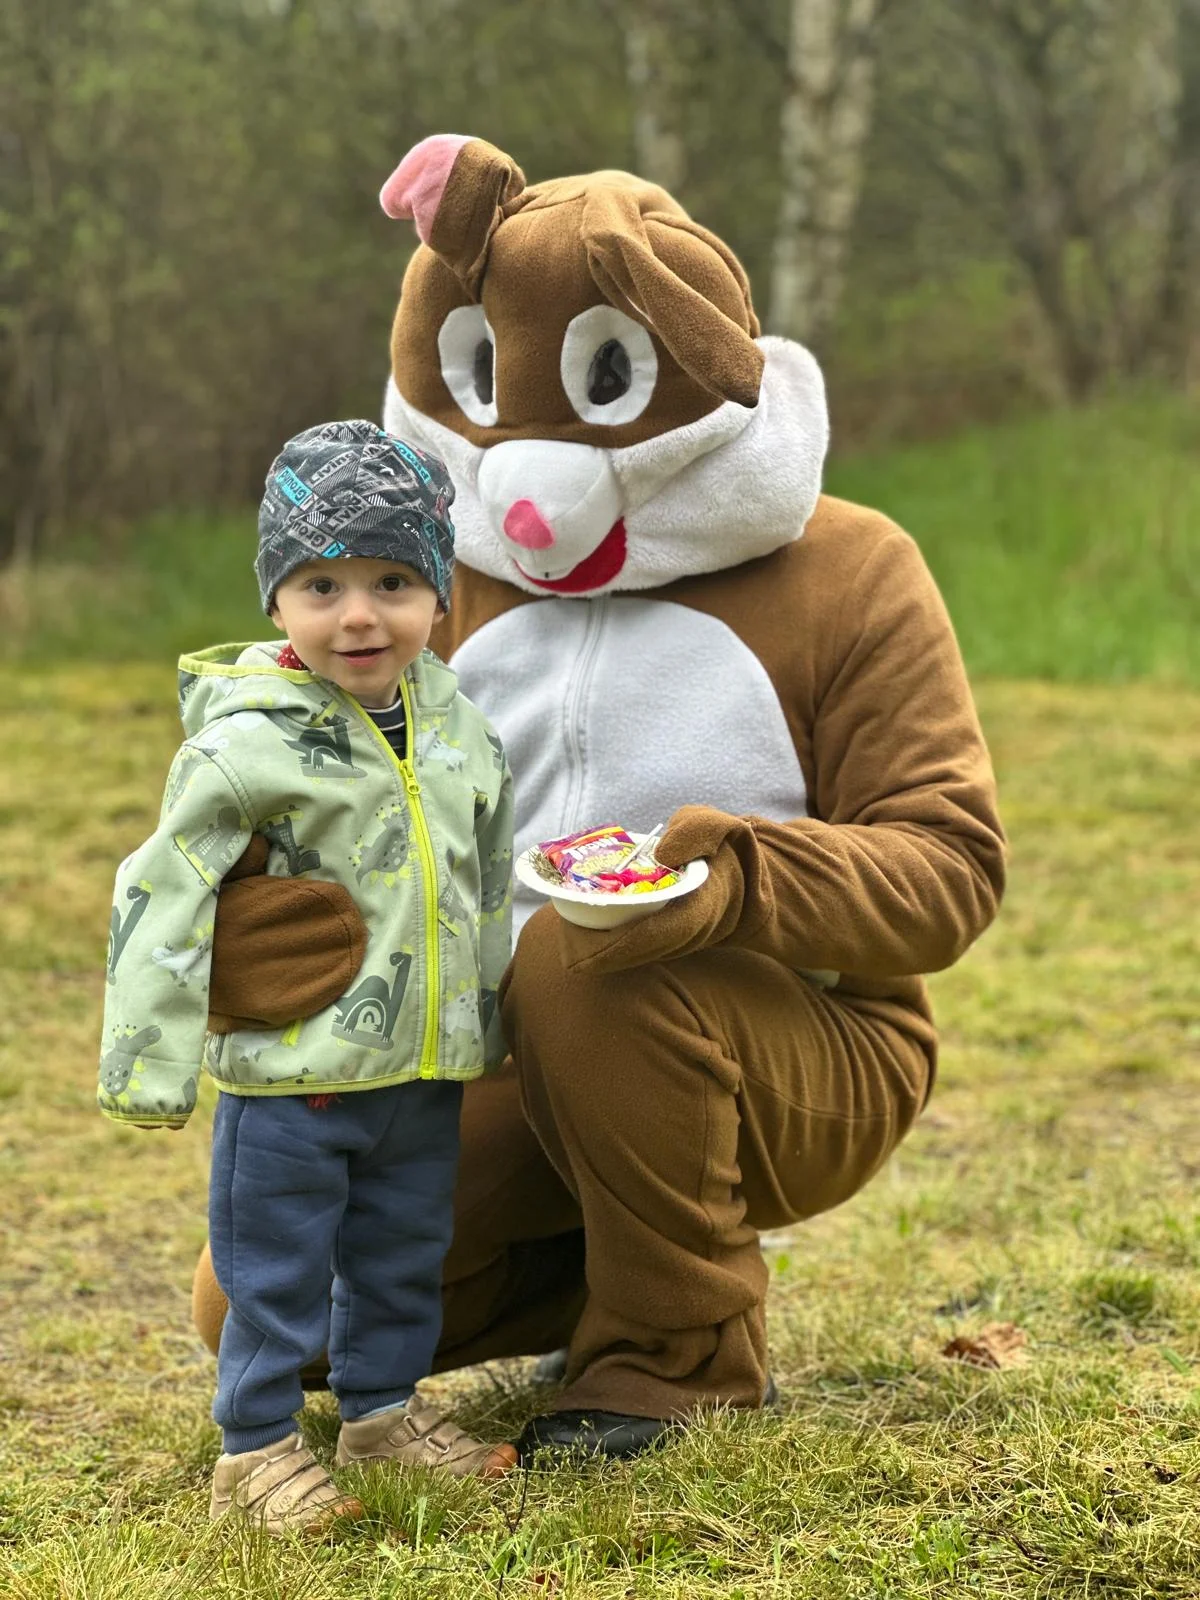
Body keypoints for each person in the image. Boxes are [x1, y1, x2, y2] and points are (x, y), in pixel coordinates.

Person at [191, 136, 1007, 1463]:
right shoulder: (429, 591)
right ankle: (625, 1267)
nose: (533, 469)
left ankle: (682, 1352)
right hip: (501, 1055)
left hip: (803, 1046)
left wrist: (737, 881)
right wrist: (254, 932)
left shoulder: (850, 569)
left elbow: (951, 871)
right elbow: (341, 836)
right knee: (259, 1310)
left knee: (584, 961)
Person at [99, 419, 516, 1535]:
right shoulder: (245, 745)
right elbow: (163, 892)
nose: (359, 615)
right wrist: (149, 1062)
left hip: (417, 1074)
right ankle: (255, 1448)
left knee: (403, 1254)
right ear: (277, 601)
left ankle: (383, 1413)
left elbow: (487, 881)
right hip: (293, 1074)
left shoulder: (462, 733)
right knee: (273, 1269)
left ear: (439, 596)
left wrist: (484, 1020)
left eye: (392, 581)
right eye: (322, 584)